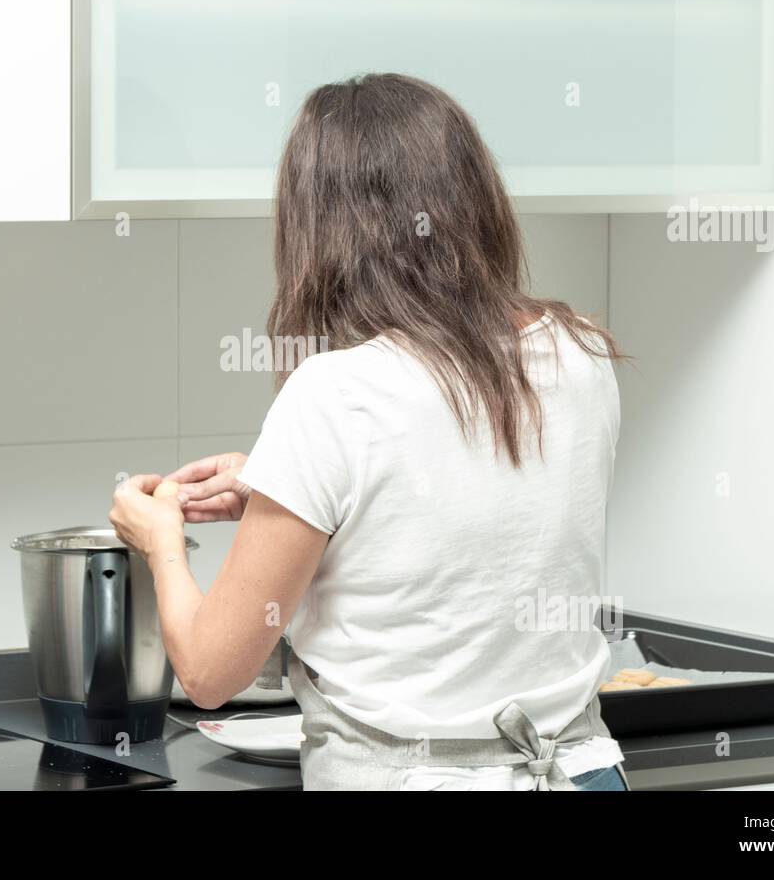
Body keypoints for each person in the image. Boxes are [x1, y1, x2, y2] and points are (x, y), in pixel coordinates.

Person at [109, 73, 625, 791]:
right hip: (583, 773)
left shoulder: (333, 395)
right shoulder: (581, 352)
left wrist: (160, 542)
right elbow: (465, 500)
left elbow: (208, 671)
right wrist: (282, 484)